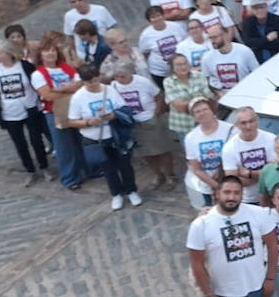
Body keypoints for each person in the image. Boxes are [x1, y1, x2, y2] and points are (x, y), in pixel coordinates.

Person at [69, 64, 140, 210]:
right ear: (83, 81)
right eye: (90, 82)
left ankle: (131, 190)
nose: (94, 84)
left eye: (96, 80)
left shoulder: (109, 90)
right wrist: (89, 122)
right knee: (108, 168)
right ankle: (116, 194)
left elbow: (123, 108)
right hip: (95, 138)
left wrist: (113, 115)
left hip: (115, 135)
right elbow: (72, 121)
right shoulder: (78, 97)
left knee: (125, 165)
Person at [0, 40, 51, 186]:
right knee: (20, 143)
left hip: (30, 107)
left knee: (36, 140)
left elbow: (35, 83)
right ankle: (30, 170)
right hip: (9, 112)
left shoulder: (24, 66)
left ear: (8, 53)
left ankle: (44, 167)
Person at [110, 59, 175, 190]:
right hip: (133, 124)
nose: (120, 79)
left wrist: (157, 113)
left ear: (130, 73)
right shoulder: (113, 86)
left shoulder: (142, 82)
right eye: (117, 76)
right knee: (146, 153)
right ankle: (157, 174)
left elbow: (158, 96)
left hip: (150, 120)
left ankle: (170, 175)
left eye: (123, 76)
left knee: (162, 150)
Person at [31, 35, 83, 190]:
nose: (50, 54)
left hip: (74, 109)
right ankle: (70, 178)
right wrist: (69, 89)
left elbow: (79, 84)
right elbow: (47, 95)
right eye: (46, 51)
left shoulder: (66, 67)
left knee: (80, 141)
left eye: (53, 50)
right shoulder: (38, 74)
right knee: (64, 146)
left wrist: (59, 89)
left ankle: (87, 170)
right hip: (54, 113)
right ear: (40, 54)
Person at [200, 25, 258, 92]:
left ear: (225, 35)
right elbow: (207, 80)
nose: (212, 41)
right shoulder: (206, 58)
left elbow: (256, 72)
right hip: (223, 96)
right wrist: (218, 93)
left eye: (214, 37)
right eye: (210, 38)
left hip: (246, 92)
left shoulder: (244, 51)